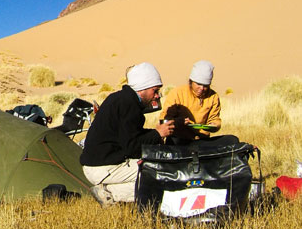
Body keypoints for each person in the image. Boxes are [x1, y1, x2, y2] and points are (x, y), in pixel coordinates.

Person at [80, 62, 174, 207]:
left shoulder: (121, 99)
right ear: (142, 88)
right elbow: (132, 147)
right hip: (103, 167)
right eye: (154, 91)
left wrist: (156, 133)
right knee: (157, 174)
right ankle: (108, 193)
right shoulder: (129, 105)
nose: (156, 96)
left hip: (98, 163)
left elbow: (129, 136)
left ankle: (108, 191)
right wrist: (157, 134)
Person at [159, 60, 238, 146]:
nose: (202, 88)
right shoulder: (177, 93)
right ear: (190, 81)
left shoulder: (213, 97)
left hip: (201, 141)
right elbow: (164, 119)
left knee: (232, 140)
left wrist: (214, 125)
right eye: (198, 84)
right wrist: (180, 122)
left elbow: (214, 119)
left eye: (205, 86)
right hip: (179, 141)